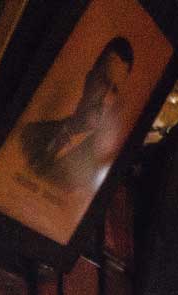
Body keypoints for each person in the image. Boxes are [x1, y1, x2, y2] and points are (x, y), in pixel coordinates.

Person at [20, 37, 134, 192]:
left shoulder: (92, 175)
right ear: (88, 79)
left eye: (114, 90)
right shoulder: (30, 132)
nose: (105, 99)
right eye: (103, 81)